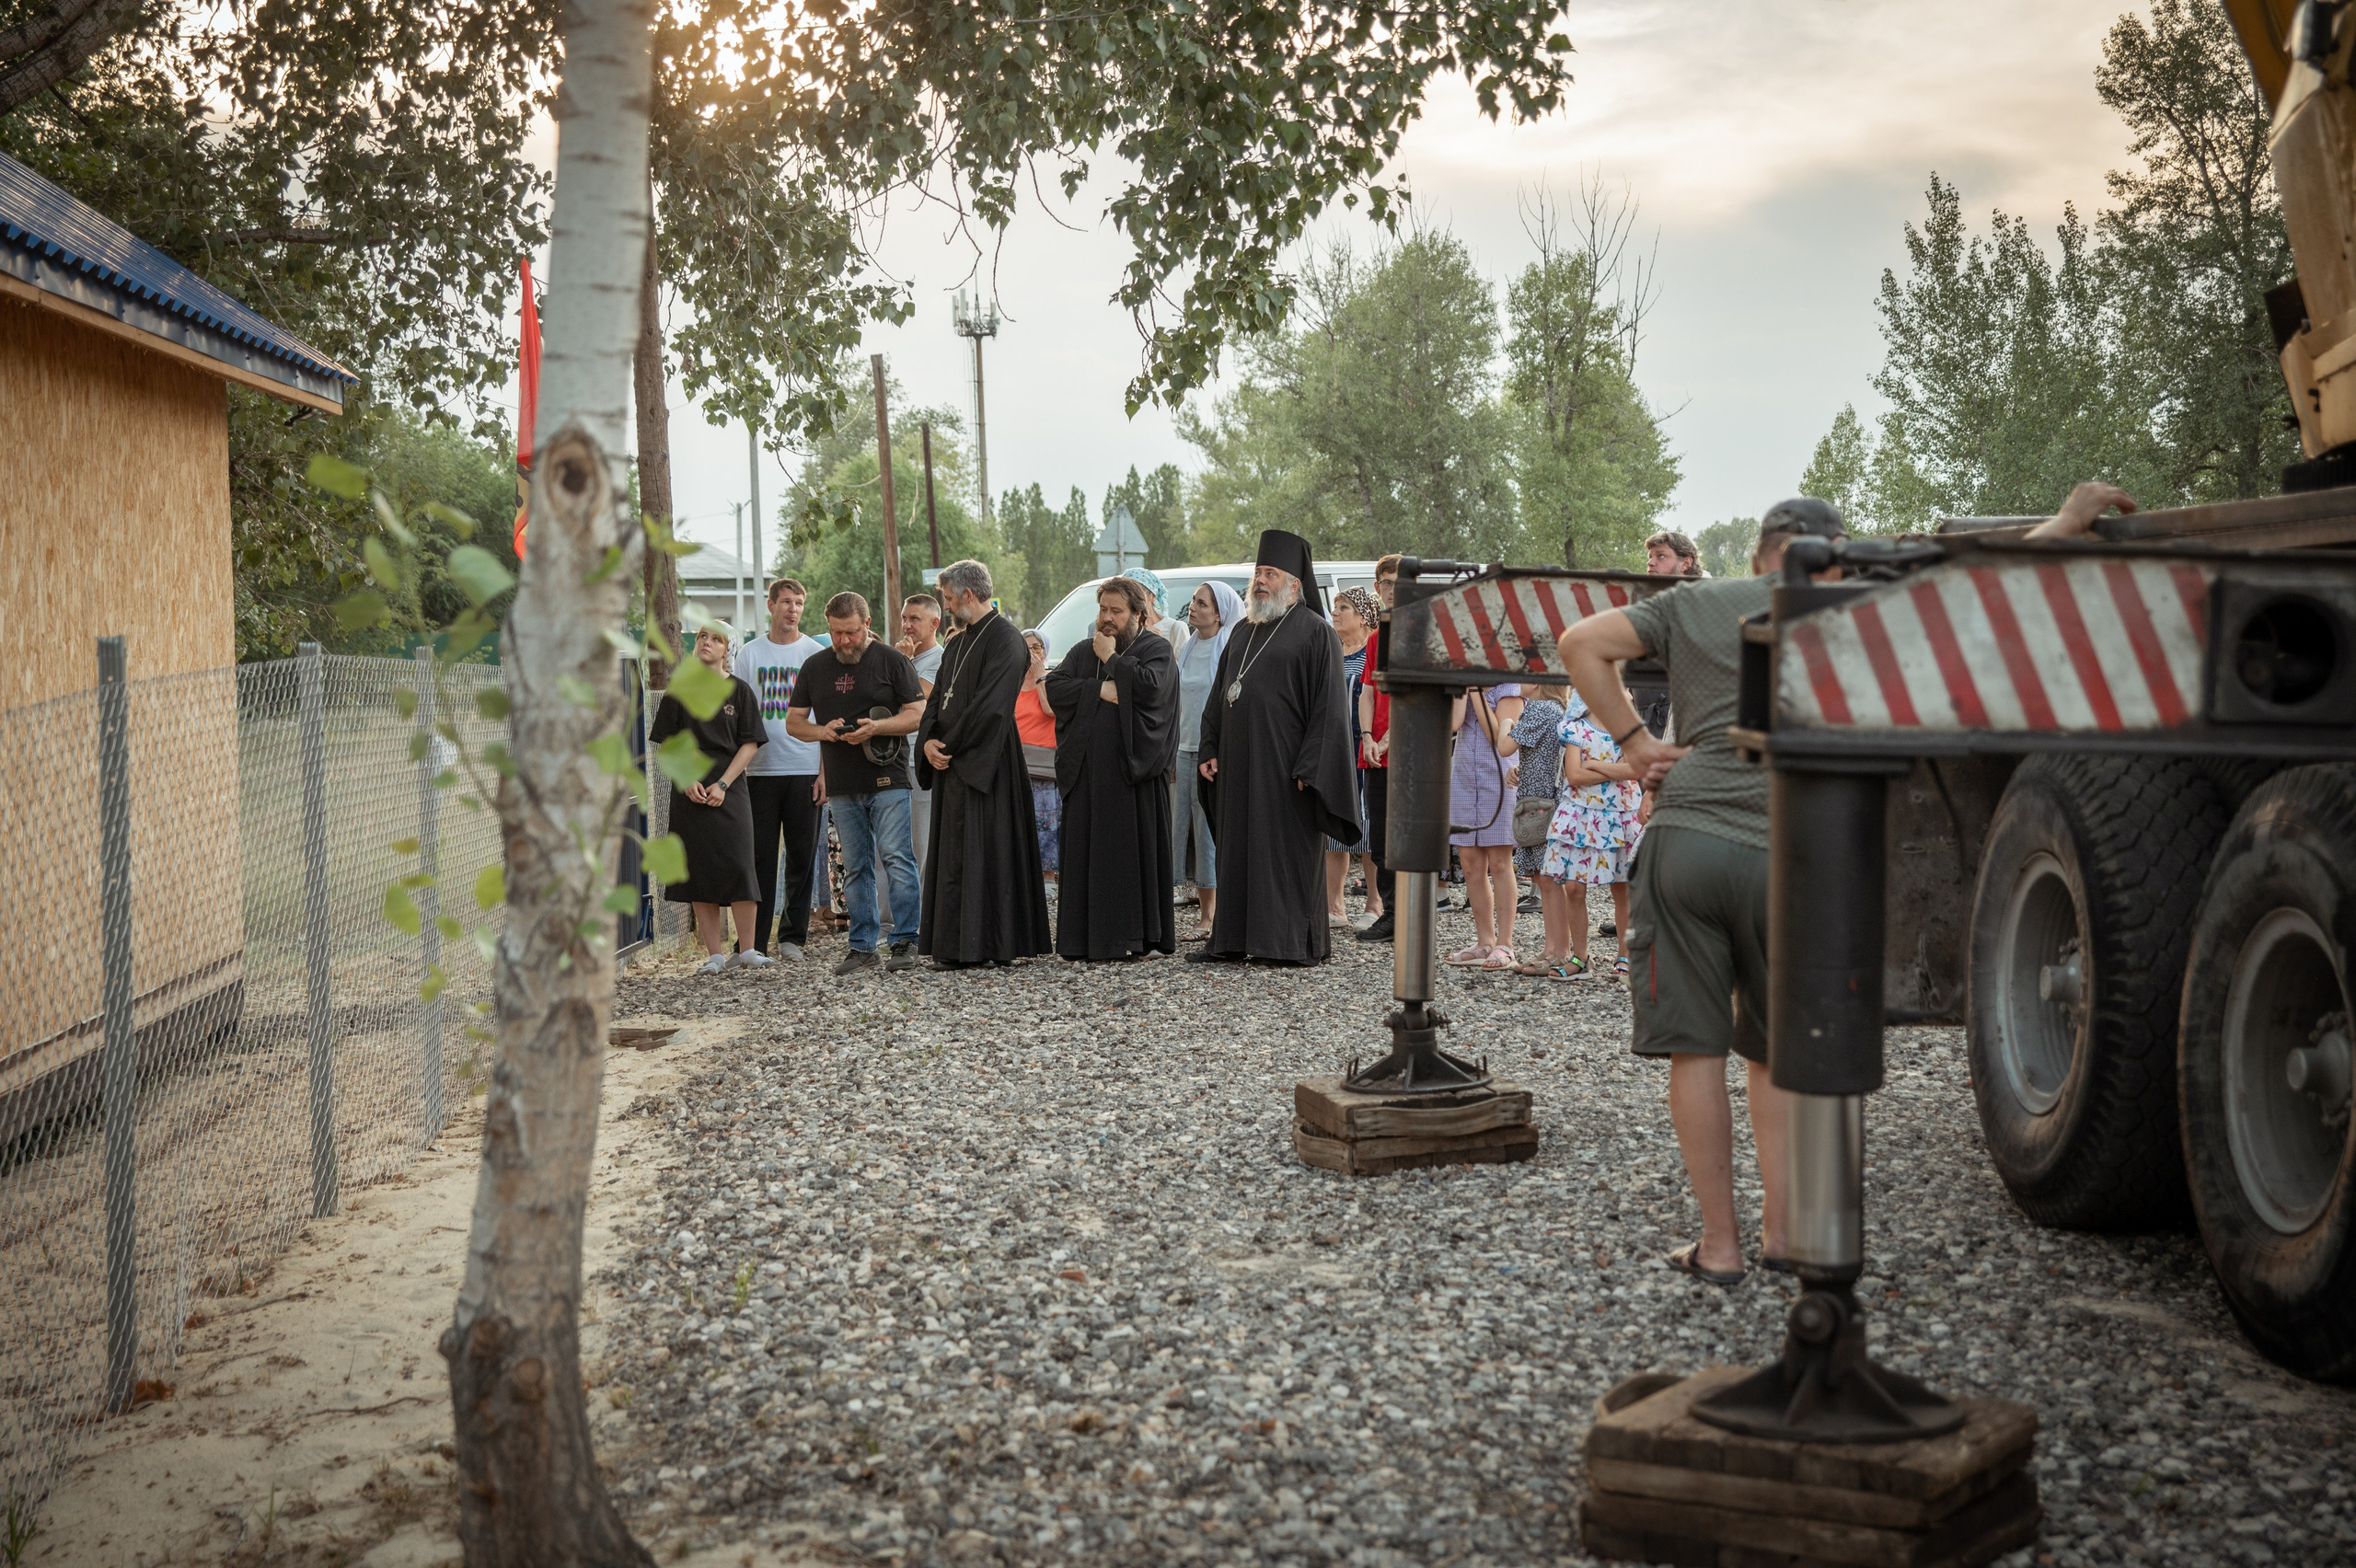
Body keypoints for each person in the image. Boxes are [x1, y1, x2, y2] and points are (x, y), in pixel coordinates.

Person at [1557, 498, 1851, 1286]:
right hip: (1790, 852)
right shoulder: (1853, 607)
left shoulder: (1695, 602)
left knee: (1697, 1050)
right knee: (1773, 1051)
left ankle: (1719, 1248)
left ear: (1760, 555)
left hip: (1687, 843)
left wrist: (1636, 743)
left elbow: (1579, 643)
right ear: (1834, 557)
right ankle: (1785, 1234)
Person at [1192, 530, 1357, 965]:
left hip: (1287, 771)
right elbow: (1220, 693)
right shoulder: (1244, 631)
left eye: (1270, 573)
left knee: (1281, 854)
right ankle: (1231, 939)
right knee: (1237, 850)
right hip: (1238, 763)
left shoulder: (1316, 633)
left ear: (1294, 584)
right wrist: (1210, 744)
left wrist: (1311, 765)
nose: (1260, 580)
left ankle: (1284, 943)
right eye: (1258, 572)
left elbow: (1329, 710)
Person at [915, 559, 1054, 967]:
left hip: (988, 760)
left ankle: (989, 944)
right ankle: (954, 945)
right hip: (951, 759)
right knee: (955, 853)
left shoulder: (1007, 640)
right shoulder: (957, 642)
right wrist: (927, 742)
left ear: (968, 595)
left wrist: (949, 746)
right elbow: (937, 698)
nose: (946, 603)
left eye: (948, 596)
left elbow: (992, 708)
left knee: (986, 852)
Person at [786, 592, 926, 975]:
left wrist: (877, 727)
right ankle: (862, 946)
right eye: (835, 633)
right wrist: (823, 731)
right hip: (842, 782)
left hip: (889, 776)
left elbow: (918, 713)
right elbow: (794, 722)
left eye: (850, 633)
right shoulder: (815, 666)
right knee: (855, 865)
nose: (843, 641)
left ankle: (906, 940)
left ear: (866, 624)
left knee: (897, 858)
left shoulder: (892, 661)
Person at [1045, 576, 1180, 962]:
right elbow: (1055, 687)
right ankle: (1083, 940)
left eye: (1116, 611)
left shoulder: (1156, 648)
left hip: (1131, 777)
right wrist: (1098, 690)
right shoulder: (1083, 650)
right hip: (1088, 776)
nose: (1106, 618)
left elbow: (1152, 689)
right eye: (1102, 609)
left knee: (1127, 859)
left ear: (1138, 614)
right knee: (1089, 856)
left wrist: (1110, 660)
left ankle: (1135, 938)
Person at [651, 626, 771, 974]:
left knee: (740, 865)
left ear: (727, 649)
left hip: (729, 788)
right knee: (700, 870)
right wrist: (686, 779)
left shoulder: (740, 691)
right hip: (688, 790)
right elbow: (667, 744)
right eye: (702, 637)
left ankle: (747, 950)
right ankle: (714, 955)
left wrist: (722, 783)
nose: (706, 643)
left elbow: (749, 743)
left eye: (716, 639)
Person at [734, 577, 826, 961]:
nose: (792, 609)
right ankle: (751, 941)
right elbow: (738, 714)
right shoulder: (750, 655)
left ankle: (792, 937)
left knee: (803, 857)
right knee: (759, 858)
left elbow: (826, 717)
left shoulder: (815, 653)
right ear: (770, 606)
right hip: (760, 771)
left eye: (799, 603)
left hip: (805, 767)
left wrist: (825, 772)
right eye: (786, 602)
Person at [1539, 685, 1644, 979]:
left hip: (1619, 814)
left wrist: (1595, 764)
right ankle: (1580, 957)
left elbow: (1634, 770)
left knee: (1621, 887)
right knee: (1574, 887)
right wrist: (1614, 768)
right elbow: (1574, 775)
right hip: (1580, 815)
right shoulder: (1576, 728)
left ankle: (1625, 956)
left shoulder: (1628, 729)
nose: (1628, 694)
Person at [1173, 580, 1241, 939]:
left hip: (1210, 751)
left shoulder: (1226, 646)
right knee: (1183, 828)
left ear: (1219, 614)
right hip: (1183, 747)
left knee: (1207, 831)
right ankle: (1200, 907)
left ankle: (1211, 916)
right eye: (1193, 601)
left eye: (1202, 603)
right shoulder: (1187, 648)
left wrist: (1214, 748)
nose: (1194, 608)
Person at [1445, 681, 1524, 969]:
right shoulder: (1464, 684)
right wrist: (1461, 689)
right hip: (1465, 773)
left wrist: (1477, 692)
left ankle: (1506, 944)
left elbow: (1497, 736)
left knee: (1500, 862)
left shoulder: (1511, 690)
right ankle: (1484, 941)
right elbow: (1454, 724)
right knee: (1469, 863)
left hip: (1499, 778)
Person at [1500, 680, 1568, 975]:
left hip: (1540, 805)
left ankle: (1559, 950)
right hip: (1548, 800)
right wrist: (1521, 769)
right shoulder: (1556, 710)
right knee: (1545, 879)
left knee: (1549, 880)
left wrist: (1505, 721)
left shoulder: (1538, 708)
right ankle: (1552, 947)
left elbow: (1505, 746)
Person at [1355, 555, 1403, 943]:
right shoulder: (1375, 638)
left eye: (1399, 582)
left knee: (1409, 836)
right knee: (1381, 837)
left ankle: (1412, 913)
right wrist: (1368, 735)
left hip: (1411, 754)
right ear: (1377, 588)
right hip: (1375, 752)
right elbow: (1368, 691)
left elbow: (1417, 697)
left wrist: (1390, 739)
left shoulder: (1422, 631)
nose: (1392, 589)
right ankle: (1390, 912)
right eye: (1385, 583)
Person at [1325, 586, 1376, 927]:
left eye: (1344, 607)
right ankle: (1334, 906)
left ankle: (1375, 904)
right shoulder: (1329, 652)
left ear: (1363, 617)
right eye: (1335, 607)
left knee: (1369, 830)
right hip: (1333, 751)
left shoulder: (1371, 653)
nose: (1336, 613)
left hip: (1363, 749)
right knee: (1333, 829)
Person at [897, 594, 945, 874]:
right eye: (904, 618)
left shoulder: (940, 660)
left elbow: (915, 698)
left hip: (918, 761)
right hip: (895, 759)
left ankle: (924, 914)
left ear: (934, 623)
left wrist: (901, 663)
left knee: (921, 846)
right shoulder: (902, 658)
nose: (907, 625)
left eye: (915, 618)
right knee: (892, 847)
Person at [1016, 630, 1062, 883]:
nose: (1033, 653)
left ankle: (1048, 876)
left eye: (1037, 647)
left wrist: (1040, 676)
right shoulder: (1012, 682)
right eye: (1027, 648)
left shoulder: (1052, 678)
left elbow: (1050, 709)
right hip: (1019, 760)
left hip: (1044, 764)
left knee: (1047, 820)